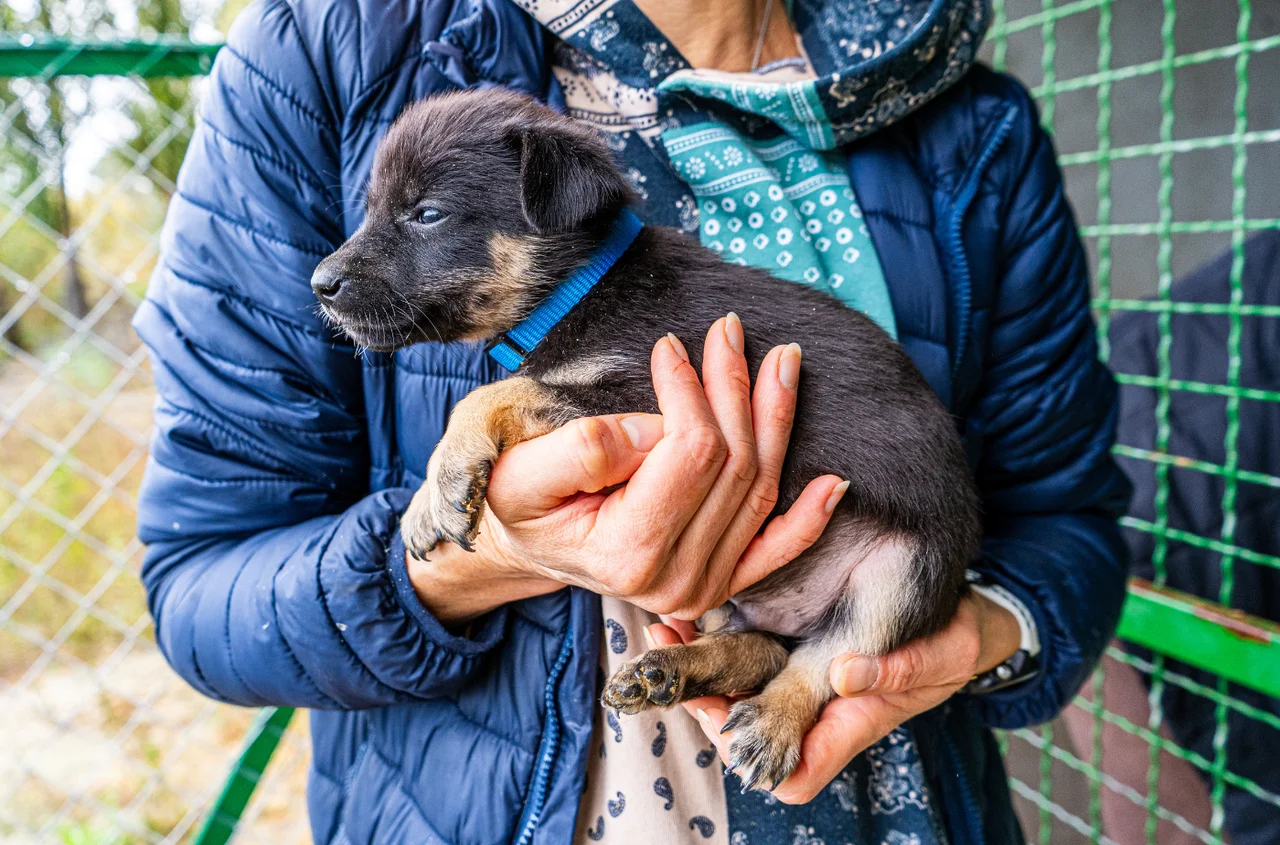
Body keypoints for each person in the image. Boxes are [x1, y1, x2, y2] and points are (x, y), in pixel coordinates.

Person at [131, 0, 1131, 843]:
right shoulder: (336, 45)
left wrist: (955, 644)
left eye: (421, 220)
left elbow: (1064, 523)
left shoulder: (969, 122)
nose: (356, 258)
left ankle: (783, 674)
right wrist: (480, 554)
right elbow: (202, 582)